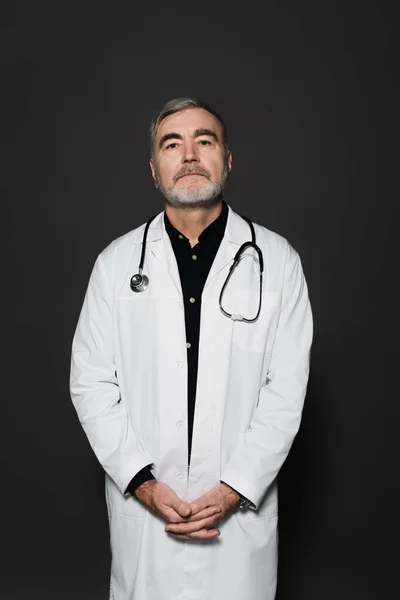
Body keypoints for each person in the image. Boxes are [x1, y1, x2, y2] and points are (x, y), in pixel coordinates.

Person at [69, 97, 313, 600]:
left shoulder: (278, 261)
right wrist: (144, 485)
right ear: (154, 169)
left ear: (227, 159)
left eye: (205, 140)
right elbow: (91, 383)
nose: (189, 155)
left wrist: (232, 490)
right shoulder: (115, 266)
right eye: (171, 144)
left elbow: (286, 391)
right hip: (146, 516)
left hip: (238, 516)